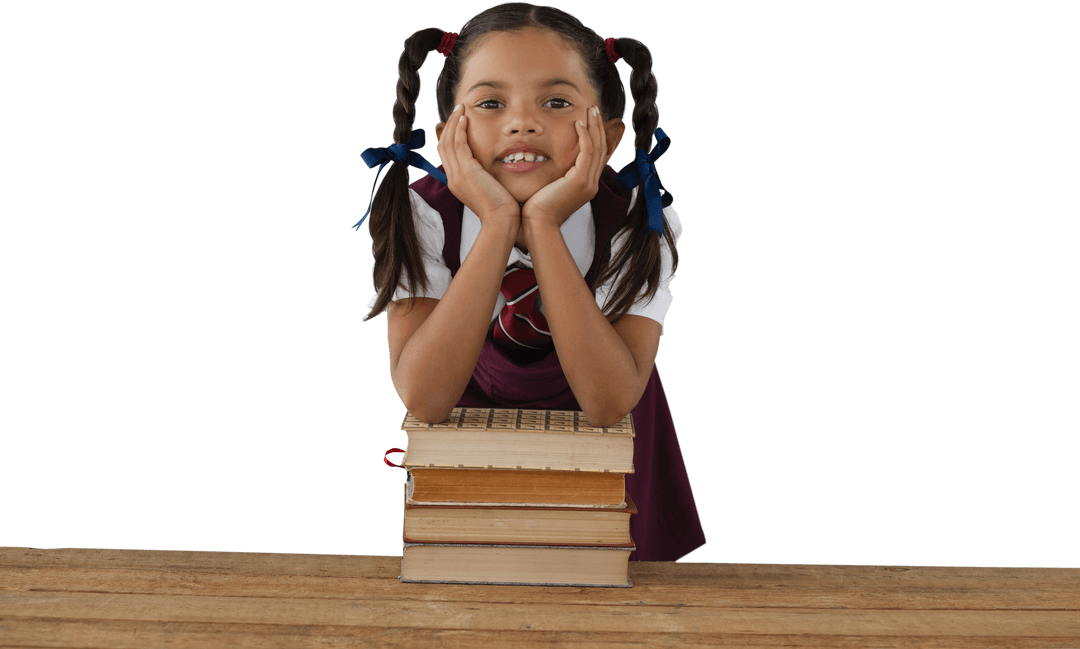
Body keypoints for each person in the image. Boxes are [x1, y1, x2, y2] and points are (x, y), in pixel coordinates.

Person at [355, 2, 706, 561]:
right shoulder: (418, 215)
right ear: (448, 136)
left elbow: (609, 401)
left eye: (557, 102)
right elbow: (424, 393)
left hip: (615, 481)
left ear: (609, 137)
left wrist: (541, 223)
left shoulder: (642, 220)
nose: (523, 122)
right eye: (491, 103)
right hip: (474, 468)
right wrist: (497, 223)